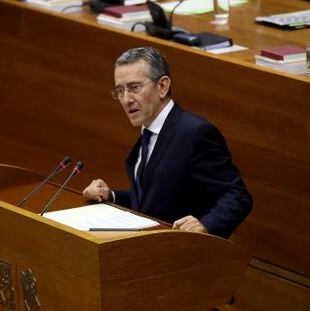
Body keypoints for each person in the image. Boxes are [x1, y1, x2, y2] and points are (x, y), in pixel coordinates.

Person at [83, 46, 252, 238]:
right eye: (120, 91)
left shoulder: (195, 133)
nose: (126, 99)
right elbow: (156, 199)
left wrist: (205, 225)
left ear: (162, 86)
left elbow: (237, 195)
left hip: (184, 251)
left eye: (134, 87)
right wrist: (110, 196)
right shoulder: (148, 133)